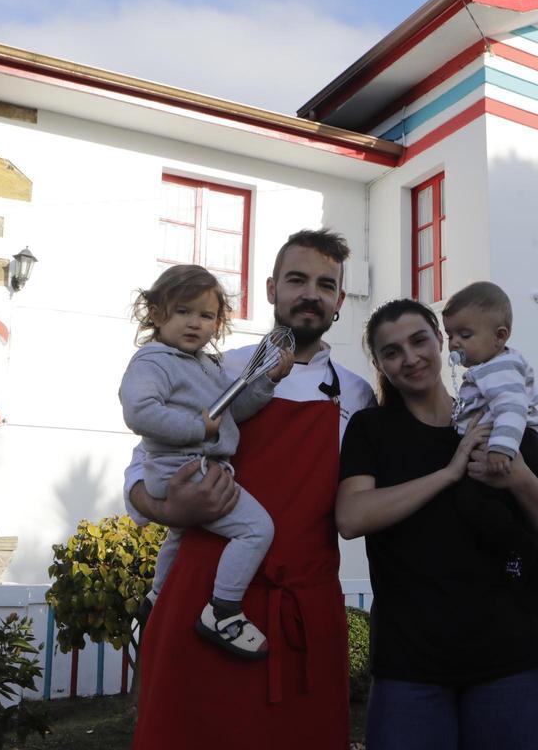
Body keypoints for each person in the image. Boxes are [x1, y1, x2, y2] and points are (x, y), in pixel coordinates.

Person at [124, 229, 376, 749]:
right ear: (271, 289)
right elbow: (141, 463)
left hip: (305, 609)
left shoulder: (357, 395)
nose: (311, 294)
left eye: (326, 285)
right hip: (204, 601)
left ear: (339, 302)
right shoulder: (220, 368)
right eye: (297, 280)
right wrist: (166, 507)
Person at [336, 298, 538, 750]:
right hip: (411, 665)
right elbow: (351, 517)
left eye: (419, 341)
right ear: (380, 364)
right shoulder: (372, 430)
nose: (410, 358)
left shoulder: (501, 416)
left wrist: (517, 474)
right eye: (392, 352)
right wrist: (448, 473)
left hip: (515, 656)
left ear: (441, 341)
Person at [118, 264, 293, 658]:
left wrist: (267, 381)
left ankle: (156, 598)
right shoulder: (153, 361)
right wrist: (198, 427)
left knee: (179, 537)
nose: (194, 322)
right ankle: (223, 610)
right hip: (182, 468)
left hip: (189, 466)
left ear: (218, 323)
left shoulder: (204, 364)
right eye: (183, 311)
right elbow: (139, 412)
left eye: (206, 315)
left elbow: (231, 412)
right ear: (156, 313)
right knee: (256, 529)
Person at [443, 281, 538, 476]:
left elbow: (511, 406)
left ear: (499, 336)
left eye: (465, 335)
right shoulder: (486, 368)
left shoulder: (501, 366)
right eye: (450, 336)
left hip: (510, 446)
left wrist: (501, 448)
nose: (454, 343)